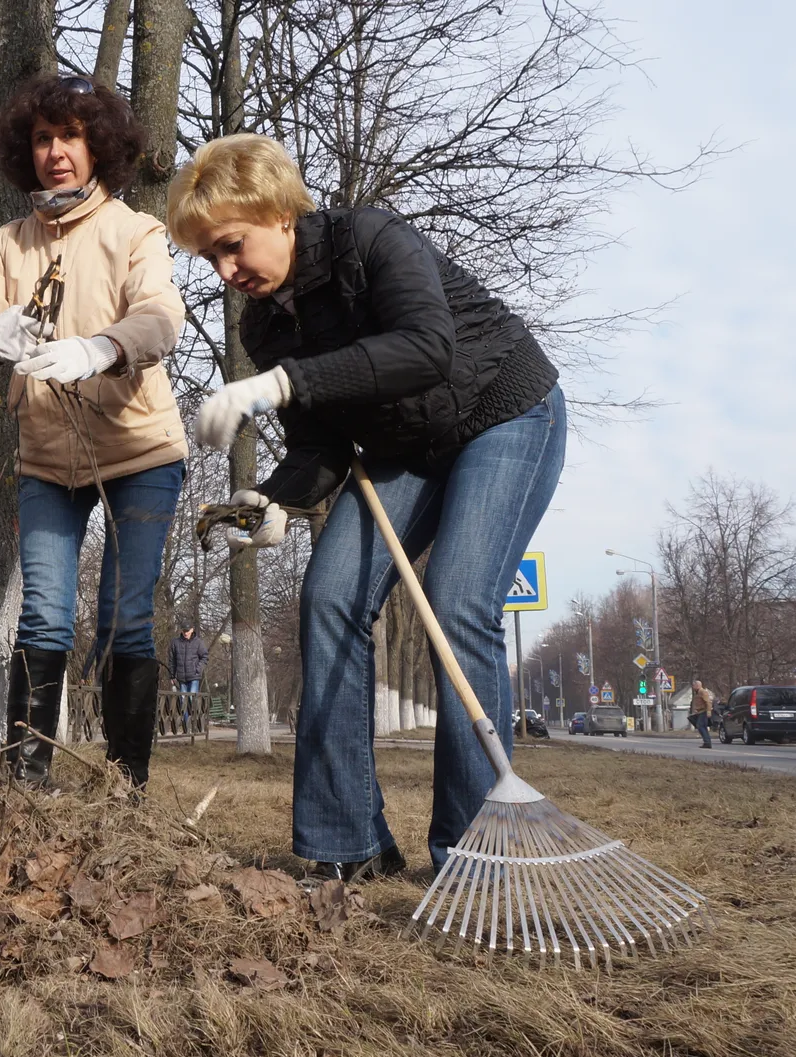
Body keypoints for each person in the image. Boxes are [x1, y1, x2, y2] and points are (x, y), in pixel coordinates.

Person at [169, 134, 565, 881]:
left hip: (504, 413)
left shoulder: (370, 239)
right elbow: (319, 444)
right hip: (405, 447)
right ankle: (346, 843)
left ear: (277, 211)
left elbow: (425, 348)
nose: (225, 272)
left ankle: (472, 850)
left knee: (459, 601)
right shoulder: (264, 325)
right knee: (327, 599)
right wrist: (276, 501)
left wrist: (279, 384)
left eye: (231, 247)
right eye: (209, 260)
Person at [0, 74, 187, 788]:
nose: (56, 153)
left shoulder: (137, 231)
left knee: (124, 618)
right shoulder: (10, 244)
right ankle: (28, 782)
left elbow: (162, 318)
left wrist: (99, 348)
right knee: (43, 616)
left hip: (140, 454)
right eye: (43, 139)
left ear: (97, 146)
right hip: (47, 458)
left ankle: (124, 787)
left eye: (70, 137)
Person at [169, 625, 209, 722]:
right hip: (182, 677)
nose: (185, 633)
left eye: (187, 631)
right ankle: (186, 725)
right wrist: (172, 675)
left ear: (192, 630)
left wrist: (198, 669)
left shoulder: (198, 642)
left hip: (194, 676)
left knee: (191, 698)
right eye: (184, 631)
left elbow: (205, 657)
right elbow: (172, 660)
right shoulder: (175, 643)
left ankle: (194, 722)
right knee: (183, 701)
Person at [688, 680, 717, 748]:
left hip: (704, 712)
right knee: (701, 726)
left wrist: (708, 711)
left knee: (701, 726)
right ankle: (706, 742)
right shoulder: (697, 693)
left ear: (698, 685)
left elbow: (708, 702)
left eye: (694, 685)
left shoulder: (703, 692)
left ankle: (707, 742)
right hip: (700, 712)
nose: (693, 687)